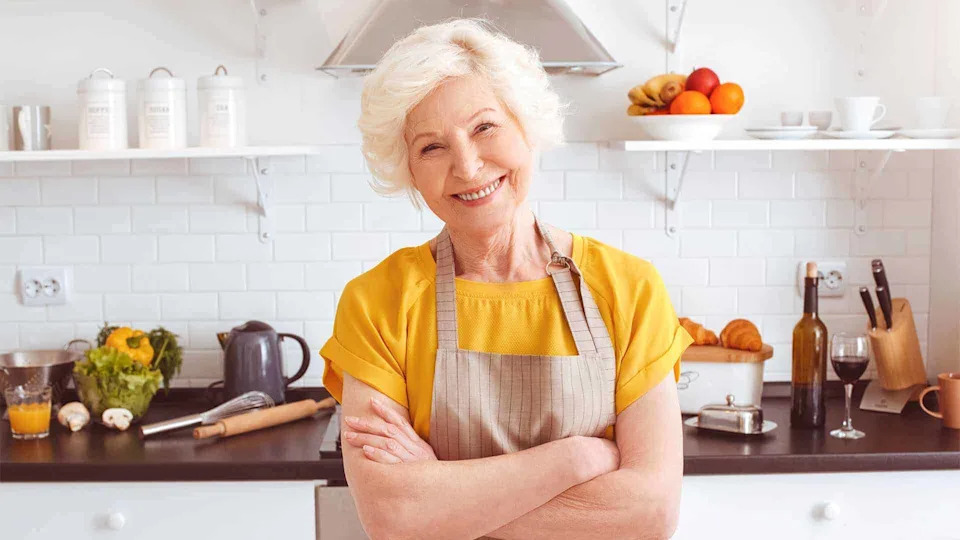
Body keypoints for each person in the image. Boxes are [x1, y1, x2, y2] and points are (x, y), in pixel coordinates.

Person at [320, 18, 693, 540]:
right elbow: (394, 517)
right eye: (432, 147)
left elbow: (649, 513)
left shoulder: (628, 289)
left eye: (484, 128)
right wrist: (574, 458)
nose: (469, 168)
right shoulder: (379, 301)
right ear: (407, 168)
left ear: (527, 125)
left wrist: (442, 500)